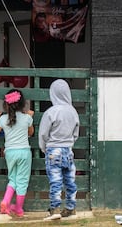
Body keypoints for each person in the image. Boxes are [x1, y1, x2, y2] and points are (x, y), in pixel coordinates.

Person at [39, 79, 79, 220]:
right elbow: (76, 133)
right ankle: (71, 208)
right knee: (70, 180)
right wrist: (69, 144)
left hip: (53, 150)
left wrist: (44, 148)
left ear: (52, 94)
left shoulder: (51, 112)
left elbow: (43, 133)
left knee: (55, 181)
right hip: (68, 150)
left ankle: (55, 209)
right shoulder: (73, 111)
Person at [0, 89, 34, 217]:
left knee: (13, 178)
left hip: (10, 152)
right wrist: (30, 116)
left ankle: (6, 201)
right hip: (24, 152)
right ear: (22, 104)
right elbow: (30, 133)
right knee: (22, 180)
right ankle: (18, 209)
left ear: (6, 105)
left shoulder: (3, 119)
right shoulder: (26, 118)